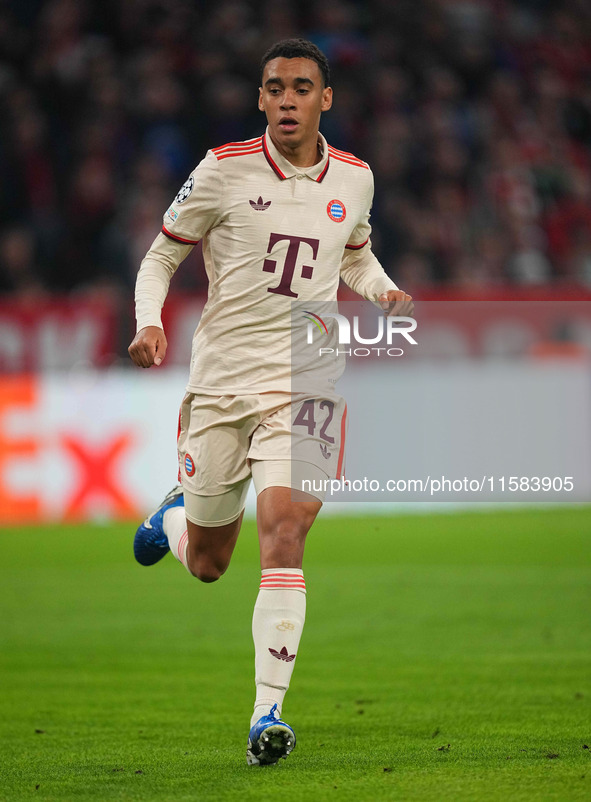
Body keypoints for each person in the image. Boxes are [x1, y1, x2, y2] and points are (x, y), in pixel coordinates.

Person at [128, 38, 413, 766]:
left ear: (326, 100)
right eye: (274, 88)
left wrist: (379, 288)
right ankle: (174, 515)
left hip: (307, 378)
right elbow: (162, 255)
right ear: (260, 99)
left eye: (301, 88)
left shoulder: (356, 176)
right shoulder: (222, 171)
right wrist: (149, 322)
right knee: (210, 565)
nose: (286, 99)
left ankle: (267, 714)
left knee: (285, 527)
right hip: (222, 383)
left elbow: (351, 249)